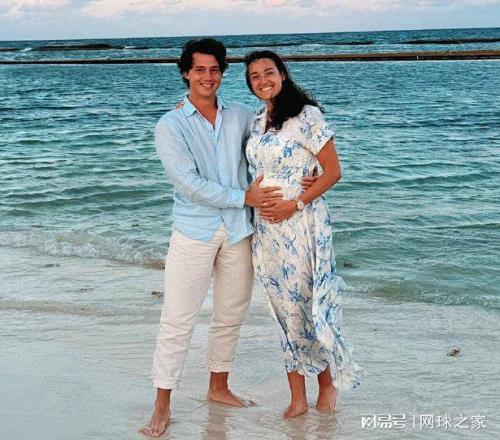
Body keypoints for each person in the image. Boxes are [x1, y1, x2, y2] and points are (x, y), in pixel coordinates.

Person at [142, 39, 314, 438]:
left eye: (215, 69)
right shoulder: (170, 125)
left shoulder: (240, 115)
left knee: (230, 315)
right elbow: (188, 183)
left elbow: (274, 143)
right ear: (186, 73)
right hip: (194, 231)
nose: (208, 77)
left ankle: (218, 388)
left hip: (239, 232)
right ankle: (161, 404)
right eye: (200, 70)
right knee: (178, 320)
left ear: (222, 73)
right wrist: (244, 198)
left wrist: (307, 175)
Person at [244, 50, 363, 418]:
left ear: (282, 74)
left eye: (269, 72)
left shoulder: (307, 116)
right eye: (254, 76)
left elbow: (333, 172)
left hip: (302, 224)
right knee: (282, 311)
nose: (263, 80)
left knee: (309, 306)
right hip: (266, 231)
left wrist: (294, 203)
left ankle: (327, 386)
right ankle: (297, 397)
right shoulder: (257, 120)